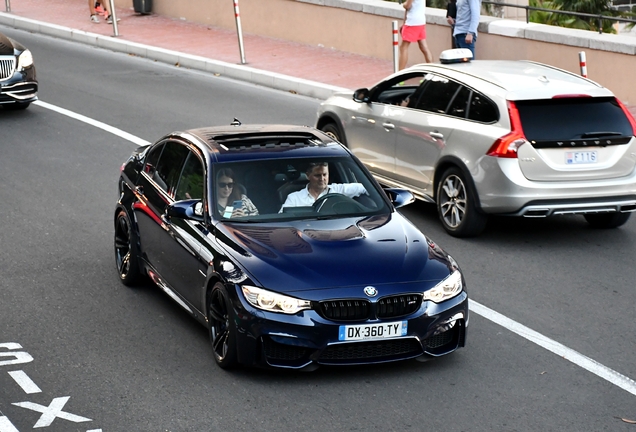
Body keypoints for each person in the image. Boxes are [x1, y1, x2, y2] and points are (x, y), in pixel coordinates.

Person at [280, 162, 367, 211]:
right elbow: (282, 221)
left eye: (324, 174)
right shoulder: (294, 198)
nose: (322, 179)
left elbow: (366, 188)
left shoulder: (338, 190)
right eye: (317, 175)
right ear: (308, 175)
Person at [398, 0, 433, 70]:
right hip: (420, 21)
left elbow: (407, 6)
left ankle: (400, 74)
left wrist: (404, 4)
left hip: (412, 22)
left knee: (403, 47)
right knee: (424, 47)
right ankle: (432, 71)